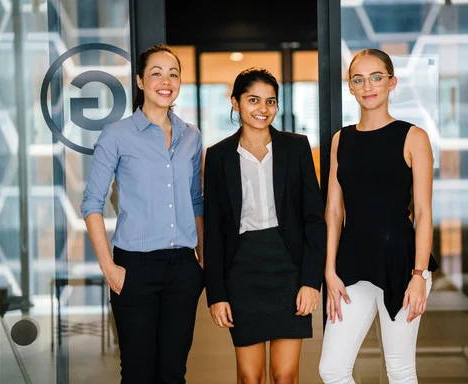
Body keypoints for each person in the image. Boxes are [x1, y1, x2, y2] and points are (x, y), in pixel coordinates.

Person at [81, 44, 204, 384]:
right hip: (134, 267)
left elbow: (196, 202)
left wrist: (202, 263)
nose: (166, 81)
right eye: (156, 73)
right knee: (137, 373)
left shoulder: (191, 137)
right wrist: (110, 268)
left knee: (173, 373)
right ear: (139, 81)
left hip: (182, 268)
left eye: (173, 74)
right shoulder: (117, 135)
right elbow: (92, 202)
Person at [318, 48, 439, 384]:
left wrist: (419, 275)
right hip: (351, 266)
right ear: (351, 87)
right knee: (331, 369)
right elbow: (333, 209)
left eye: (376, 77)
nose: (367, 86)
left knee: (399, 370)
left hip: (402, 264)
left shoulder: (414, 137)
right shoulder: (341, 139)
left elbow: (425, 212)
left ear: (391, 83)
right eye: (358, 79)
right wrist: (329, 270)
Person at [203, 67, 326, 383]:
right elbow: (214, 233)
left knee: (285, 375)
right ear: (235, 103)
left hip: (288, 269)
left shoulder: (296, 147)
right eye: (253, 100)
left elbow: (314, 219)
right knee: (249, 376)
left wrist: (311, 282)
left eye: (271, 101)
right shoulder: (218, 156)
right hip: (242, 273)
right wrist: (216, 294)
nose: (263, 109)